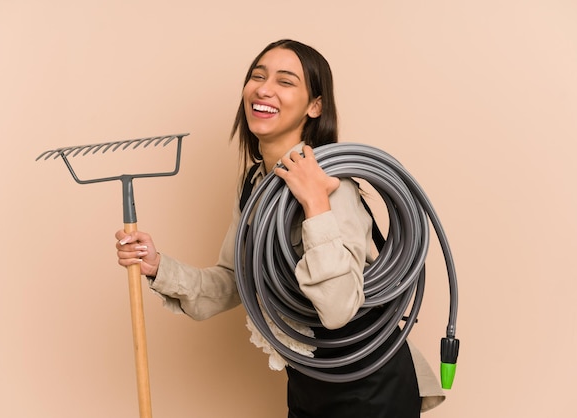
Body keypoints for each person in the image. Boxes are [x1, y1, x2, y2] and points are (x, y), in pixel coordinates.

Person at [116, 39, 444, 417]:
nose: (264, 88)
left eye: (285, 81)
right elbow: (234, 279)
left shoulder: (333, 186)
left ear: (315, 106)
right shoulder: (256, 185)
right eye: (257, 76)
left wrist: (316, 203)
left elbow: (338, 308)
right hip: (308, 383)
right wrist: (157, 266)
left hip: (370, 384)